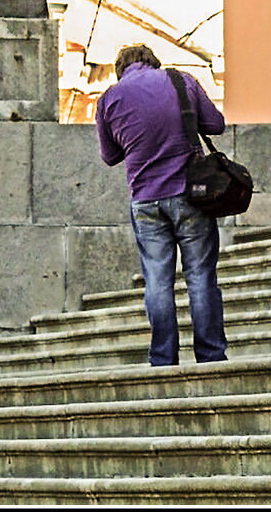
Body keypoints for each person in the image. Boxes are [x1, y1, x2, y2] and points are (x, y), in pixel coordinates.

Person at [96, 43, 228, 366]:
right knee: (200, 276)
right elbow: (216, 124)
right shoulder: (182, 81)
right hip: (191, 194)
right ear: (154, 63)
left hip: (145, 200)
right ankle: (210, 356)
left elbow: (110, 156)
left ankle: (163, 359)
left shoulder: (108, 100)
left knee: (157, 281)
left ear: (120, 71)